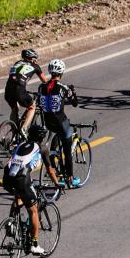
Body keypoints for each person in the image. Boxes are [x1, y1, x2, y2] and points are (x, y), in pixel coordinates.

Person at [1, 123, 63, 257]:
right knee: (33, 210)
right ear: (42, 137)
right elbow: (50, 170)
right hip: (22, 178)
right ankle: (34, 245)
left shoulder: (21, 145)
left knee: (19, 198)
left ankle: (11, 223)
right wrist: (57, 184)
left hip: (7, 177)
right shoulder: (42, 148)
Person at [36, 60, 81, 188]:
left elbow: (40, 101)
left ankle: (54, 161)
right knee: (67, 151)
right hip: (61, 123)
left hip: (48, 123)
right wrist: (73, 91)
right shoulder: (63, 87)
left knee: (56, 138)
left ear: (50, 72)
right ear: (61, 72)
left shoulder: (41, 87)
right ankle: (71, 178)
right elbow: (75, 103)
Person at [4, 48, 49, 133]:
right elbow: (45, 81)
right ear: (32, 58)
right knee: (32, 107)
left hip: (8, 89)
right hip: (19, 89)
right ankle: (23, 129)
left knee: (15, 109)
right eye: (35, 58)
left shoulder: (17, 63)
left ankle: (14, 132)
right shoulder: (35, 66)